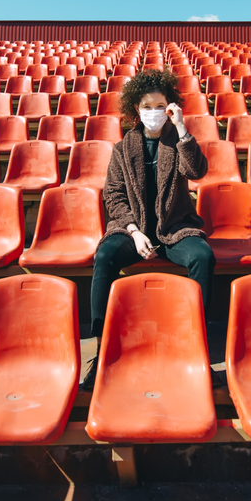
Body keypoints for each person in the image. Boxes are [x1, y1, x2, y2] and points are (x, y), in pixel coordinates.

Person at [83, 69, 214, 388]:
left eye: (160, 106)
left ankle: (194, 342)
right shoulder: (122, 149)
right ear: (135, 110)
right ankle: (102, 349)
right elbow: (112, 195)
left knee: (203, 257)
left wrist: (182, 128)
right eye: (147, 106)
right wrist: (133, 230)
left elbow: (196, 170)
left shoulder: (177, 141)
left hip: (175, 230)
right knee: (105, 256)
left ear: (171, 107)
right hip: (134, 231)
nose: (153, 113)